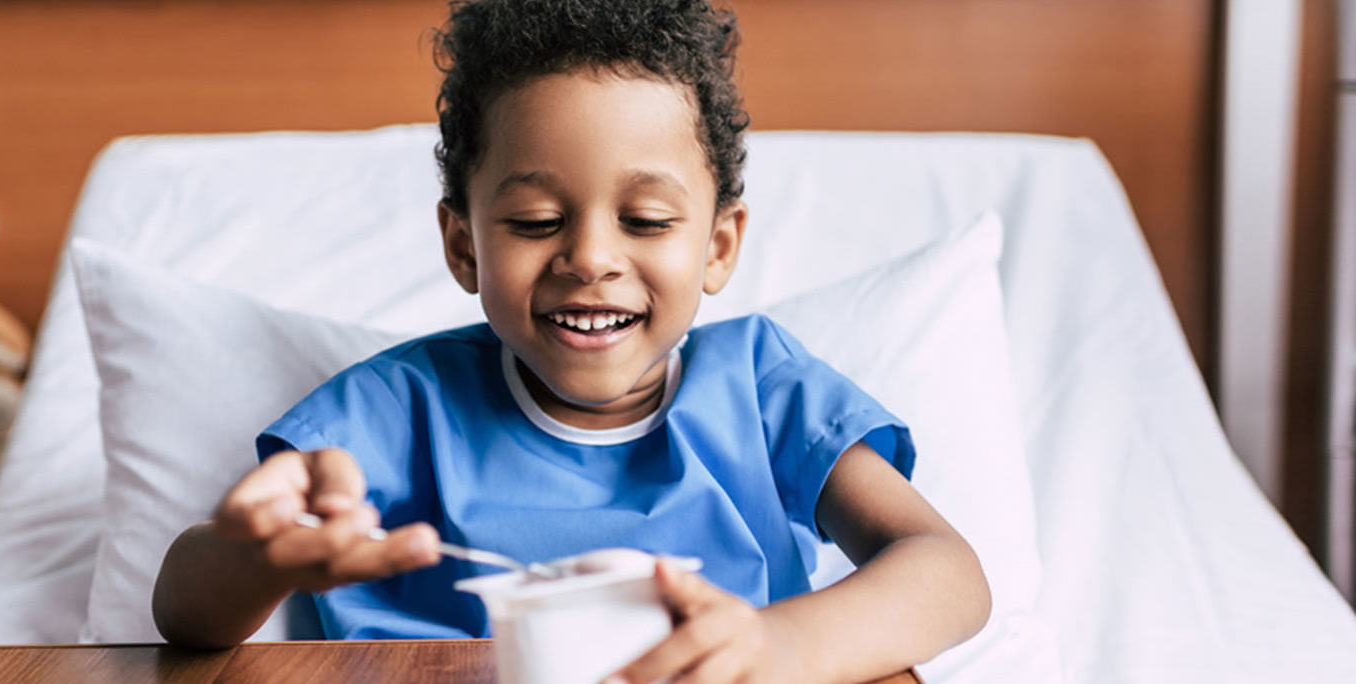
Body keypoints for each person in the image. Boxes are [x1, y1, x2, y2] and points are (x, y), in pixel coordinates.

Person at [152, 1, 989, 681]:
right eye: (536, 221)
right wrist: (253, 558)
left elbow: (946, 572)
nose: (589, 257)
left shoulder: (764, 392)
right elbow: (184, 614)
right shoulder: (396, 411)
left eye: (647, 220)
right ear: (464, 246)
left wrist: (784, 648)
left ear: (719, 246)